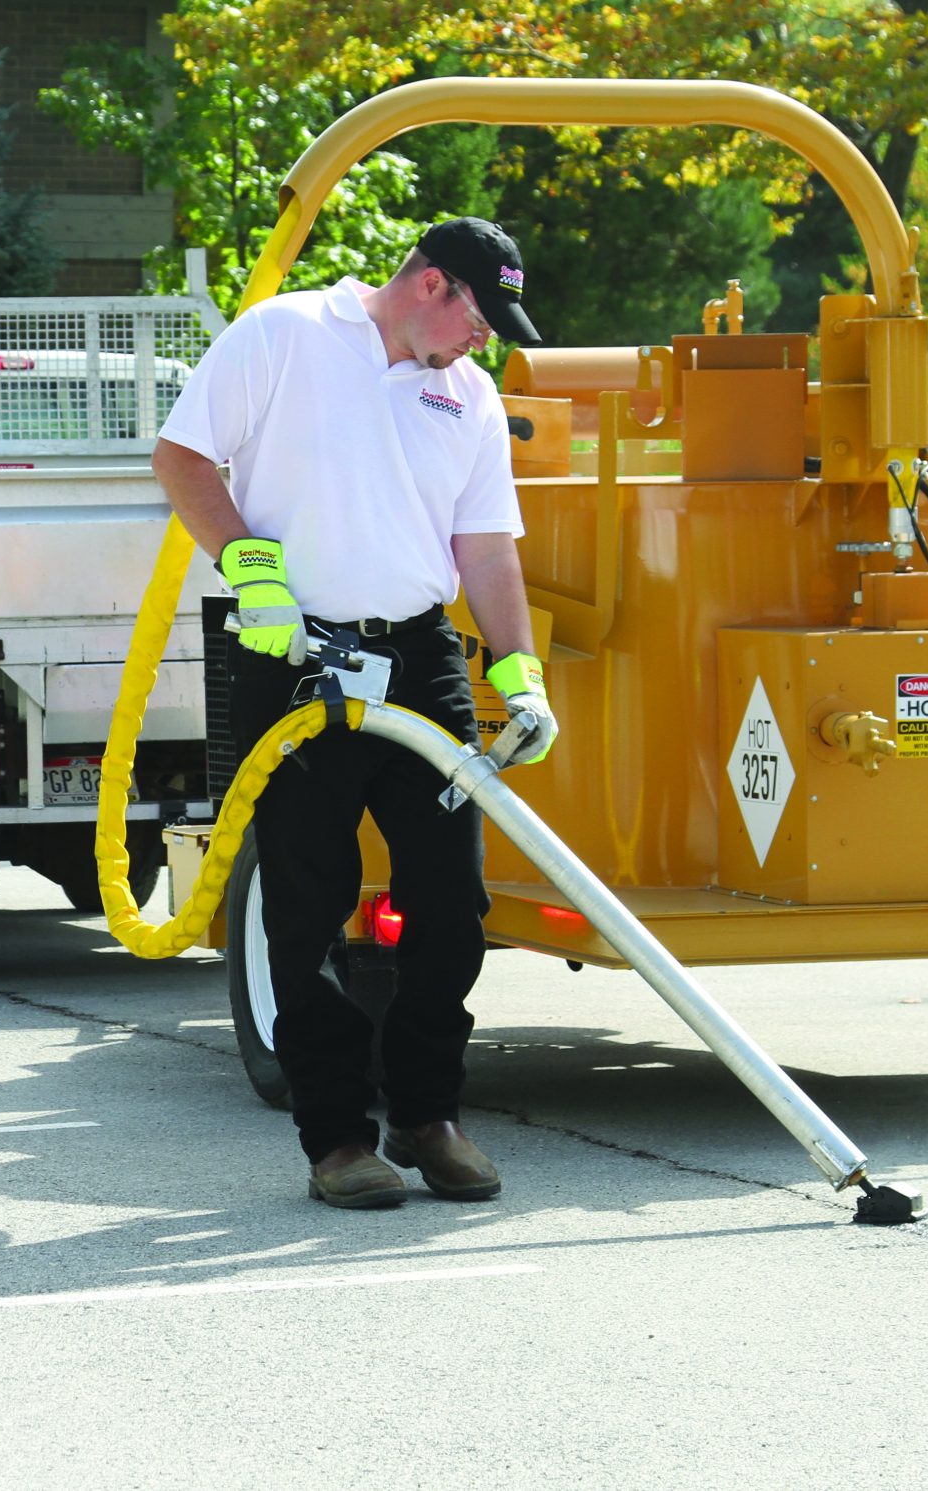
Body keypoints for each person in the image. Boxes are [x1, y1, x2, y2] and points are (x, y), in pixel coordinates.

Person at [153, 217, 560, 1209]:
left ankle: (429, 1117)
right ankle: (336, 1139)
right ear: (430, 284)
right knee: (304, 903)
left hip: (418, 658)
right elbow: (182, 459)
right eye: (479, 316)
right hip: (293, 651)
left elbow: (488, 548)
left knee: (450, 901)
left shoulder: (465, 396)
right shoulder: (283, 336)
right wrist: (252, 573)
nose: (485, 341)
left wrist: (519, 674)